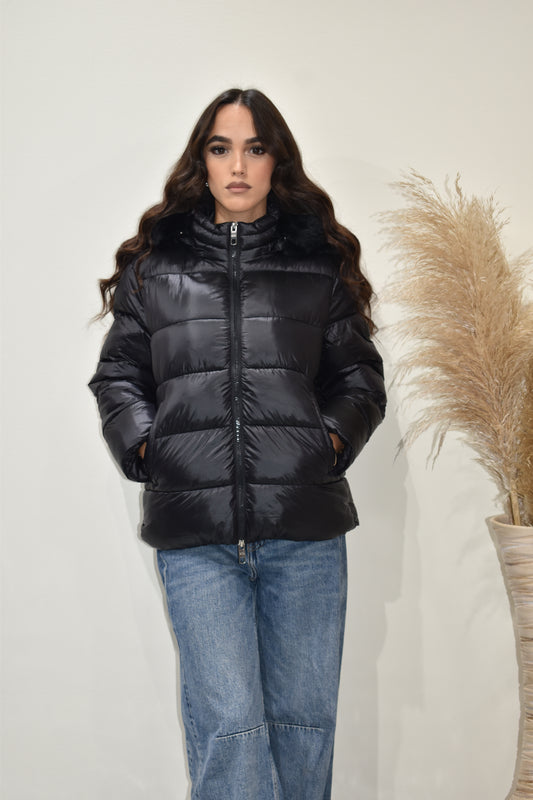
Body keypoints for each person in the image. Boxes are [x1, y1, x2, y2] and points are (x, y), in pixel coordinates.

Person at [89, 88, 386, 800]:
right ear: (202, 161)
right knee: (228, 728)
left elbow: (359, 378)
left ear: (278, 161)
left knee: (304, 725)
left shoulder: (317, 268)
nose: (238, 166)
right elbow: (118, 377)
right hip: (196, 537)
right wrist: (149, 451)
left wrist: (325, 444)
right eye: (221, 148)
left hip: (304, 532)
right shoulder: (154, 270)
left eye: (256, 148)